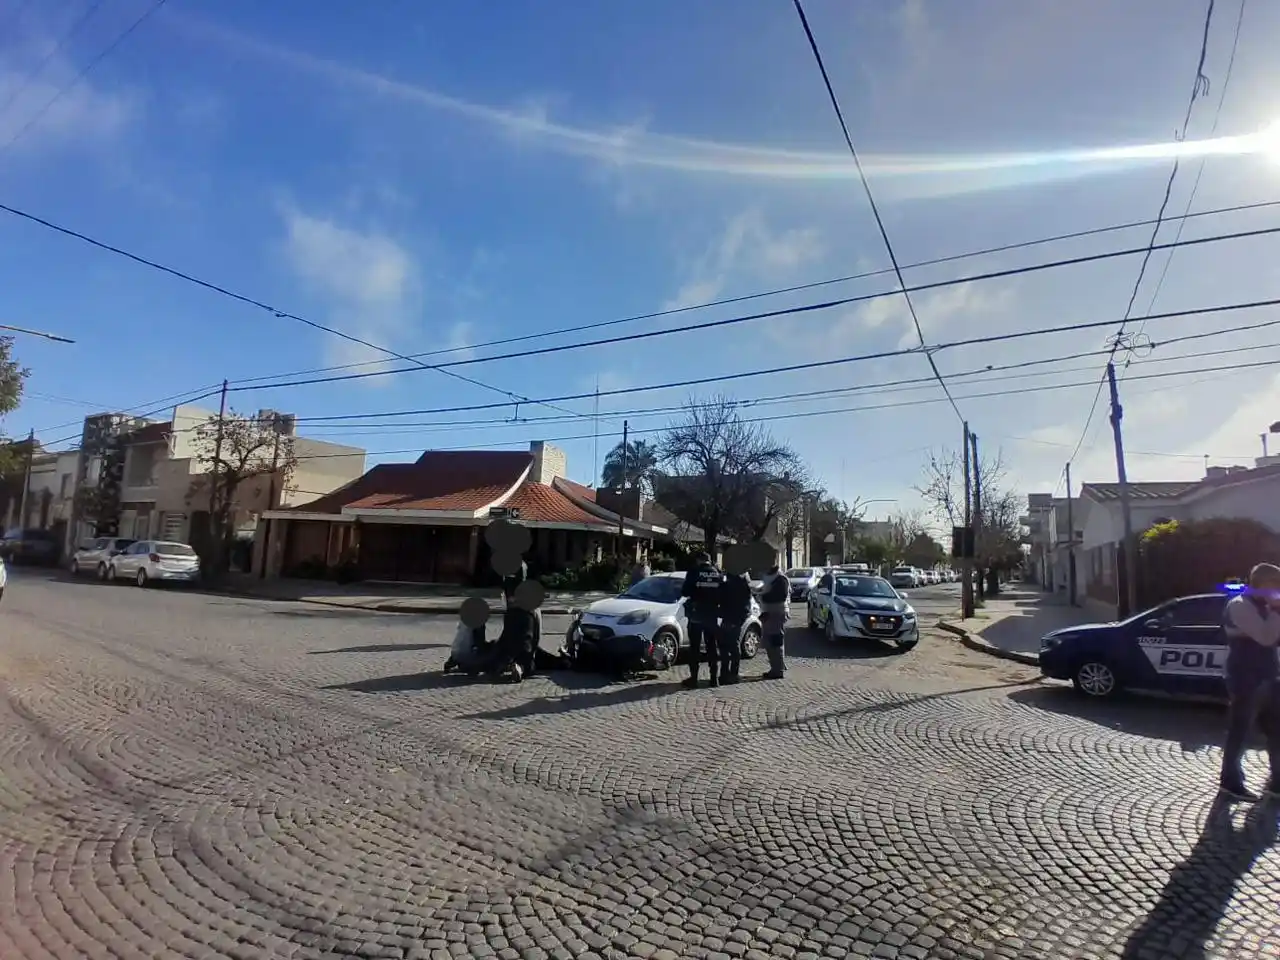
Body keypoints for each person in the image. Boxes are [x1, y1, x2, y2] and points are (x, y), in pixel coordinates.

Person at [1219, 562, 1280, 801]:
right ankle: (1230, 782)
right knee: (1240, 733)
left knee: (1277, 731)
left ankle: (1277, 782)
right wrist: (1276, 610)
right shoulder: (1239, 606)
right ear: (1263, 585)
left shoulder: (1267, 606)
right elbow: (1266, 637)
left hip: (1270, 676)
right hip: (1245, 679)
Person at [681, 551, 723, 688]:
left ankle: (693, 679)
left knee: (694, 648)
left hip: (696, 615)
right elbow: (723, 593)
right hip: (712, 615)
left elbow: (685, 592)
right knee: (711, 647)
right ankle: (714, 679)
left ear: (699, 560)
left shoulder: (694, 572)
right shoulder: (717, 573)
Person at [718, 566, 753, 684]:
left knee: (729, 646)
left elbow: (723, 598)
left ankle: (728, 674)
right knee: (731, 645)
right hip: (734, 617)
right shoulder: (741, 581)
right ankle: (730, 673)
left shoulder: (733, 583)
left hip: (731, 617)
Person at [758, 559, 790, 680]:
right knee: (769, 642)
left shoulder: (781, 579)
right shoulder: (768, 577)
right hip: (768, 612)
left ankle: (778, 669)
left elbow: (780, 596)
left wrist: (763, 595)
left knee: (776, 640)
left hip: (777, 612)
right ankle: (776, 667)